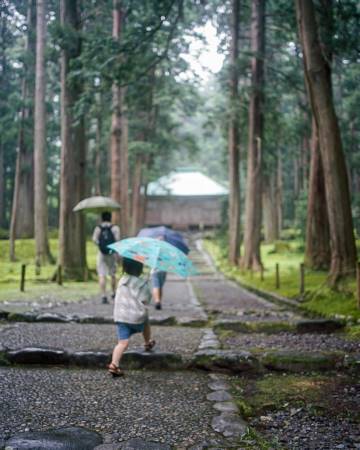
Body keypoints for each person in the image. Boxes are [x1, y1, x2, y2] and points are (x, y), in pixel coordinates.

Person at [107, 257, 155, 377]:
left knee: (122, 343)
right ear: (140, 268)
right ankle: (147, 342)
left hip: (121, 316)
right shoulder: (142, 282)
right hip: (136, 317)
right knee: (146, 320)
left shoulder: (122, 280)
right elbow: (146, 299)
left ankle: (114, 364)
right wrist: (148, 285)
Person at [92, 211, 120, 304]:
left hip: (101, 254)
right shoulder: (115, 228)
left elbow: (94, 240)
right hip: (112, 253)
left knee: (102, 274)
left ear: (102, 218)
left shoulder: (98, 228)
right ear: (110, 218)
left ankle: (103, 296)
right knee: (112, 274)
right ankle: (113, 293)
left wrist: (101, 245)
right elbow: (117, 240)